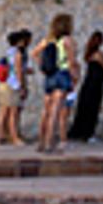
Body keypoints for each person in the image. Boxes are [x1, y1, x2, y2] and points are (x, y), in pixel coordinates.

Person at [32, 14, 80, 154]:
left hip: (50, 75)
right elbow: (71, 62)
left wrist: (43, 66)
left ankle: (41, 142)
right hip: (62, 74)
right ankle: (49, 144)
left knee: (46, 111)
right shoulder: (68, 41)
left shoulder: (47, 40)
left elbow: (34, 53)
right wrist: (75, 77)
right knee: (55, 111)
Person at [67, 31, 103, 142]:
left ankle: (78, 132)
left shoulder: (89, 54)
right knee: (93, 109)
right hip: (96, 86)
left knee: (84, 109)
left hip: (88, 84)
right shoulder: (99, 54)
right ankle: (88, 133)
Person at [0, 29, 32, 145]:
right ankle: (14, 137)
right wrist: (23, 87)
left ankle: (2, 135)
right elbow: (18, 71)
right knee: (14, 112)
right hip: (14, 85)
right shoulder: (18, 53)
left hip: (5, 83)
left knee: (4, 110)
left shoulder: (9, 52)